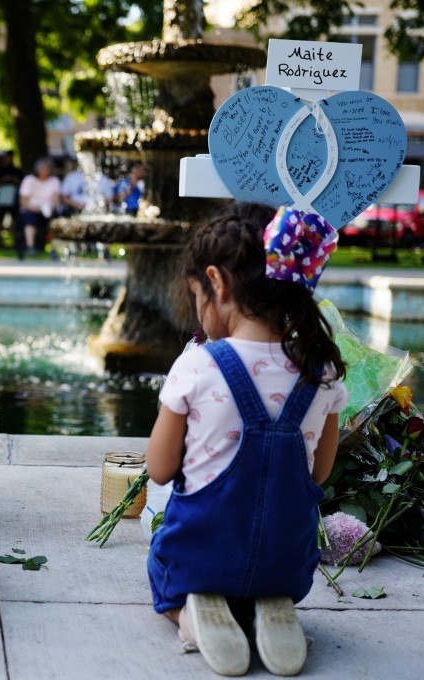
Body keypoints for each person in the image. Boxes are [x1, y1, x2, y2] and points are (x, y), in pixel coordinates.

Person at [145, 202, 348, 676]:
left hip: (201, 559)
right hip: (286, 566)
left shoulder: (198, 364)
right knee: (277, 538)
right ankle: (270, 607)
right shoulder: (323, 372)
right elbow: (318, 474)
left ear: (217, 283)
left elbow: (158, 468)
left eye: (197, 294)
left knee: (159, 553)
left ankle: (189, 613)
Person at [17, 157, 61, 260]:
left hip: (48, 209)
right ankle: (30, 246)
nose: (46, 171)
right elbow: (23, 201)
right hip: (31, 208)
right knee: (29, 218)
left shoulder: (54, 181)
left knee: (55, 221)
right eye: (44, 168)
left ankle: (54, 249)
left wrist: (50, 208)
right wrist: (35, 208)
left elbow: (55, 199)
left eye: (48, 169)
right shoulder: (29, 180)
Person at [0, 151, 22, 248]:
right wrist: (3, 180)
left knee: (15, 222)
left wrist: (14, 180)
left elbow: (21, 183)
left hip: (13, 199)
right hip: (2, 198)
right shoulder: (0, 170)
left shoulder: (16, 170)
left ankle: (15, 242)